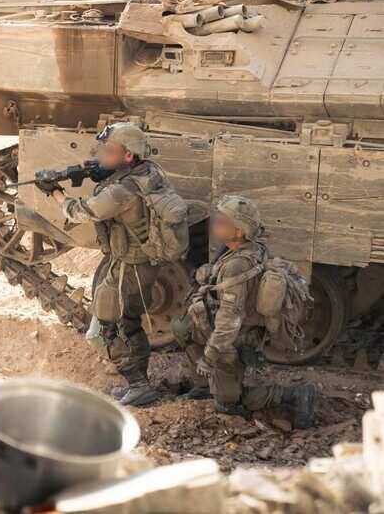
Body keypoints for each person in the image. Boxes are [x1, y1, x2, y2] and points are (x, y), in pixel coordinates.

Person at [46, 122, 181, 406]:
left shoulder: (123, 191)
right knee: (129, 323)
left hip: (128, 266)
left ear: (128, 155)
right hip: (141, 264)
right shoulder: (148, 172)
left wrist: (55, 191)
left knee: (106, 328)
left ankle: (138, 384)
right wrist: (104, 171)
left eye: (109, 151)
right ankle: (139, 384)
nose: (101, 156)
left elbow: (81, 212)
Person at [172, 195, 316, 428]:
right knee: (183, 326)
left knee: (227, 405)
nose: (216, 223)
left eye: (223, 221)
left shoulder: (236, 266)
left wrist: (210, 357)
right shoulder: (247, 248)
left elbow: (230, 320)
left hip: (237, 337)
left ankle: (293, 394)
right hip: (234, 326)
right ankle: (203, 387)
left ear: (238, 232)